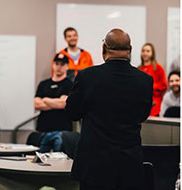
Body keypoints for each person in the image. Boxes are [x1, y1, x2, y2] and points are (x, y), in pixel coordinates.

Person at [65, 28, 153, 190]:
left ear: (104, 48)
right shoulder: (145, 80)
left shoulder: (87, 76)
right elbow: (142, 115)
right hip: (128, 164)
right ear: (131, 50)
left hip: (94, 164)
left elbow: (72, 113)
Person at [35, 54, 74, 152]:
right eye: (56, 64)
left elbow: (63, 104)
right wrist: (56, 102)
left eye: (62, 64)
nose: (59, 67)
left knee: (59, 162)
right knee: (40, 163)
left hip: (62, 131)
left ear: (67, 66)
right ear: (53, 65)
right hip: (43, 130)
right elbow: (36, 104)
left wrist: (45, 99)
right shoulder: (43, 84)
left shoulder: (70, 85)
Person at [138, 42, 167, 117]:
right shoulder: (138, 69)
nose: (145, 53)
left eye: (148, 51)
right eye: (143, 51)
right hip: (140, 103)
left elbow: (164, 85)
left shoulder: (158, 68)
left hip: (155, 103)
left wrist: (151, 86)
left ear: (152, 53)